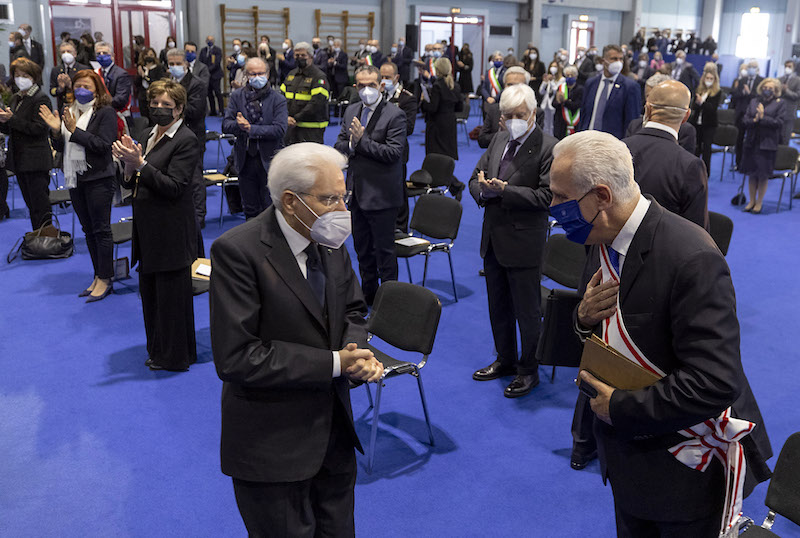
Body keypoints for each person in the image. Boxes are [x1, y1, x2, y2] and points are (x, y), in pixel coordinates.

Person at [556, 129, 771, 538]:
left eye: (559, 198)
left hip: (683, 471)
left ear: (601, 197)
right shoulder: (600, 237)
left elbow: (715, 381)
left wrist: (619, 408)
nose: (551, 208)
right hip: (627, 458)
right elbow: (602, 332)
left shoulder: (692, 257)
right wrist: (582, 318)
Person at [209, 142, 383, 537]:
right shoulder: (238, 252)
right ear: (291, 201)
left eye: (345, 196)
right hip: (273, 448)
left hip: (334, 436)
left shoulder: (329, 240)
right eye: (330, 198)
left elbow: (353, 310)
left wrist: (356, 353)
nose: (342, 210)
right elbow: (238, 357)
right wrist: (336, 363)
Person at [469, 83, 554, 398]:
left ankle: (528, 370)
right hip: (493, 237)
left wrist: (505, 191)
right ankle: (505, 359)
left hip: (524, 242)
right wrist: (484, 191)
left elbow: (547, 196)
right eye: (508, 115)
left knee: (527, 311)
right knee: (498, 306)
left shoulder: (548, 146)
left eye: (520, 114)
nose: (514, 119)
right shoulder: (498, 140)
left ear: (533, 114)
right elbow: (474, 178)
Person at [111, 79, 198, 372]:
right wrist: (127, 165)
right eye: (154, 104)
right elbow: (131, 180)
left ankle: (174, 357)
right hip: (147, 230)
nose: (159, 109)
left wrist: (141, 165)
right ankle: (158, 349)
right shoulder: (147, 133)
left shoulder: (186, 139)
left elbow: (174, 186)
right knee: (152, 297)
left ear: (180, 109)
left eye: (166, 106)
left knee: (171, 300)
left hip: (171, 231)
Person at [39, 69, 117, 302]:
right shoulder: (70, 111)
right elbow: (61, 147)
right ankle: (97, 275)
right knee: (88, 230)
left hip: (99, 178)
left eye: (87, 86)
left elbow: (104, 145)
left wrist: (74, 131)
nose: (82, 89)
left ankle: (106, 278)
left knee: (101, 229)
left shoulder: (105, 112)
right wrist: (56, 131)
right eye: (78, 85)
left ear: (97, 89)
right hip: (75, 178)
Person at [334, 65, 406, 306]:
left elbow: (394, 153)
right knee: (363, 252)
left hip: (383, 196)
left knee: (385, 254)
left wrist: (361, 142)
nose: (366, 90)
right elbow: (340, 145)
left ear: (381, 86)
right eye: (362, 86)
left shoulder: (394, 114)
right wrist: (353, 145)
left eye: (371, 85)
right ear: (356, 87)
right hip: (356, 193)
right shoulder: (351, 110)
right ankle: (369, 296)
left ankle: (389, 303)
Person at [623, 80, 709, 230]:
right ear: (686, 116)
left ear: (648, 110)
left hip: (613, 248)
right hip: (665, 249)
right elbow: (697, 232)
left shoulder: (619, 148)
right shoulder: (691, 166)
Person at [222, 57, 288, 219]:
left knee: (269, 207)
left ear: (267, 73)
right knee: (250, 208)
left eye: (260, 73)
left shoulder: (278, 99)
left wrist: (251, 129)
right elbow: (226, 125)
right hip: (245, 159)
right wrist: (240, 126)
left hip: (269, 159)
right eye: (253, 74)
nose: (257, 77)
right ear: (246, 75)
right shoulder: (237, 96)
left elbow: (279, 129)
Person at [0, 58, 53, 230]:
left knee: (40, 204)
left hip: (36, 159)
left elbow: (39, 129)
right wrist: (3, 121)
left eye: (24, 75)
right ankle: (37, 237)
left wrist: (12, 119)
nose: (19, 78)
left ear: (33, 77)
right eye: (17, 75)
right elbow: (12, 129)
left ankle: (46, 237)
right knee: (31, 204)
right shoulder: (16, 98)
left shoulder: (41, 98)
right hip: (20, 159)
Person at [167, 48, 208, 241]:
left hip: (192, 135)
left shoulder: (197, 84)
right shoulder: (167, 84)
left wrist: (172, 106)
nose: (174, 67)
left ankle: (199, 216)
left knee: (194, 177)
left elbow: (196, 111)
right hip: (171, 135)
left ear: (186, 64)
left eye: (178, 64)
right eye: (171, 64)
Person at [379, 62, 417, 234]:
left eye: (387, 77)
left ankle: (401, 227)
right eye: (382, 77)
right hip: (377, 149)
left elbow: (408, 128)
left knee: (398, 189)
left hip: (397, 150)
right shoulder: (376, 96)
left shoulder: (406, 98)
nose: (384, 80)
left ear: (396, 77)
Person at [740, 78, 785, 214]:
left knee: (762, 174)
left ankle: (759, 202)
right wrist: (755, 119)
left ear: (776, 90)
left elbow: (779, 122)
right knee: (752, 173)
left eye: (771, 88)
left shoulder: (780, 103)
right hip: (752, 142)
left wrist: (763, 117)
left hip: (767, 144)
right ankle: (751, 201)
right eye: (766, 87)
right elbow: (745, 119)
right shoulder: (754, 101)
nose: (767, 89)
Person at [578, 45, 641, 140]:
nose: (618, 62)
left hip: (612, 144)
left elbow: (632, 122)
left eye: (621, 59)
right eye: (614, 59)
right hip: (587, 139)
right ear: (603, 61)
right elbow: (584, 113)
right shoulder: (591, 83)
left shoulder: (630, 87)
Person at [626, 73, 697, 154]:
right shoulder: (634, 125)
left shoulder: (685, 131)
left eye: (656, 97)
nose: (650, 101)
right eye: (648, 96)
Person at [478, 66, 544, 149]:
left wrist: (511, 133)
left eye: (518, 85)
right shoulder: (494, 109)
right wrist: (503, 134)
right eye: (509, 84)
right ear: (504, 86)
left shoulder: (535, 112)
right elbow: (482, 141)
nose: (513, 88)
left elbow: (537, 143)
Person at [280, 42, 330, 145]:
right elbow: (280, 98)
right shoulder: (291, 75)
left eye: (303, 55)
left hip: (311, 128)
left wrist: (296, 118)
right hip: (291, 126)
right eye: (297, 55)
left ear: (311, 57)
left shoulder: (319, 77)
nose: (299, 58)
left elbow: (317, 103)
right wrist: (285, 116)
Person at [421, 57, 462, 161]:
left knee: (435, 155)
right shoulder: (455, 86)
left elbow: (433, 108)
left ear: (437, 69)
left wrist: (423, 101)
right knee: (447, 154)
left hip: (437, 124)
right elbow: (460, 107)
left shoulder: (437, 86)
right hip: (450, 122)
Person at [690, 66, 722, 175]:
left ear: (714, 80)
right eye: (707, 78)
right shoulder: (699, 90)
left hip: (709, 124)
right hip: (697, 123)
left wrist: (702, 103)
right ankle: (694, 170)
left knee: (707, 148)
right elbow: (694, 106)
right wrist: (698, 103)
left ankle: (705, 172)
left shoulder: (717, 92)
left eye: (711, 78)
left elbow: (712, 109)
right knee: (696, 147)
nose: (708, 80)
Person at [731, 60, 763, 170]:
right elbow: (735, 95)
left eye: (753, 67)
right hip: (741, 113)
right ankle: (738, 163)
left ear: (757, 69)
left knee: (751, 140)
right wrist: (743, 93)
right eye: (749, 66)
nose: (751, 68)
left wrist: (749, 93)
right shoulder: (742, 80)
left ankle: (749, 164)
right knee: (739, 139)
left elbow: (760, 96)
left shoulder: (761, 81)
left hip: (753, 115)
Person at [95, 41, 133, 131]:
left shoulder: (121, 74)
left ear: (112, 56)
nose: (101, 55)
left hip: (119, 116)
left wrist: (99, 102)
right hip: (102, 117)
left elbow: (121, 100)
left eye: (105, 53)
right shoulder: (96, 73)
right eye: (98, 53)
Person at [50, 40, 90, 113]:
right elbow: (52, 91)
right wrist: (60, 88)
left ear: (74, 54)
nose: (66, 54)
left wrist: (70, 86)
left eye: (68, 51)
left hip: (81, 107)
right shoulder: (56, 70)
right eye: (63, 52)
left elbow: (89, 90)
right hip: (63, 108)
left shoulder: (84, 69)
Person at [134, 48, 165, 123]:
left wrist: (145, 76)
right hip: (142, 96)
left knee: (153, 118)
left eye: (151, 54)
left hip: (154, 95)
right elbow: (136, 83)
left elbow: (157, 82)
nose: (149, 56)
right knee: (144, 117)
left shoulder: (158, 67)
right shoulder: (141, 68)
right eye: (147, 55)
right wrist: (140, 74)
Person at [553, 65, 583, 140]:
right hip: (560, 122)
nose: (569, 77)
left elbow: (577, 105)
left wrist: (565, 101)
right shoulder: (561, 87)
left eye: (571, 75)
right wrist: (559, 102)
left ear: (576, 77)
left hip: (574, 121)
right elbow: (553, 104)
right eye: (567, 75)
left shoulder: (580, 89)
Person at [200, 35, 224, 116]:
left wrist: (207, 70)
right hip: (206, 76)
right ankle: (212, 111)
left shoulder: (217, 50)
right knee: (209, 94)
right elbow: (200, 62)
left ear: (213, 41)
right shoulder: (203, 50)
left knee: (218, 93)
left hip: (215, 75)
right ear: (206, 41)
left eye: (211, 40)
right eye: (208, 40)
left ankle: (221, 111)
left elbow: (216, 63)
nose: (209, 41)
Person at [539, 60, 564, 135]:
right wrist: (545, 82)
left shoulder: (561, 79)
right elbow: (541, 92)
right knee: (545, 124)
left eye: (555, 66)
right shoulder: (548, 78)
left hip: (553, 104)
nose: (553, 68)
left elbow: (556, 91)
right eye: (552, 66)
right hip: (545, 104)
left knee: (552, 124)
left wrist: (552, 82)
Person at [778, 60, 800, 144]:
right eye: (786, 66)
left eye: (789, 66)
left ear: (793, 68)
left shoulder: (798, 80)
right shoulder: (780, 79)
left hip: (789, 113)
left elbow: (797, 96)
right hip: (778, 113)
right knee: (777, 138)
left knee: (785, 139)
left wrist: (786, 90)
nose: (787, 68)